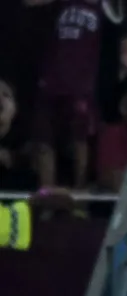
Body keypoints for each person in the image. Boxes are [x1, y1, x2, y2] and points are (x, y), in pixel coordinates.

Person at [24, 0, 106, 189]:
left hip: (81, 86)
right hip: (52, 81)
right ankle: (46, 195)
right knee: (43, 140)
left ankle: (79, 197)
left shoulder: (102, 8)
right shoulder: (62, 4)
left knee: (79, 139)